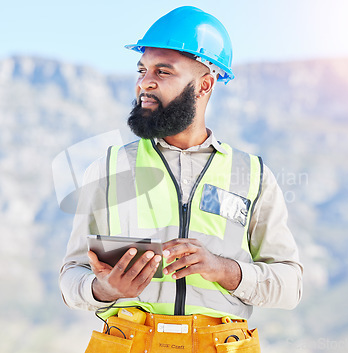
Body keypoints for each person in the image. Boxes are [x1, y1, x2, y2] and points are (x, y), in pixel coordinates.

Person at [60, 6, 303, 353]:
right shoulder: (108, 169)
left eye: (163, 71)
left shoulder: (252, 175)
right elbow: (71, 278)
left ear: (204, 84)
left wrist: (223, 269)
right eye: (142, 70)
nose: (145, 82)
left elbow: (290, 285)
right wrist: (107, 290)